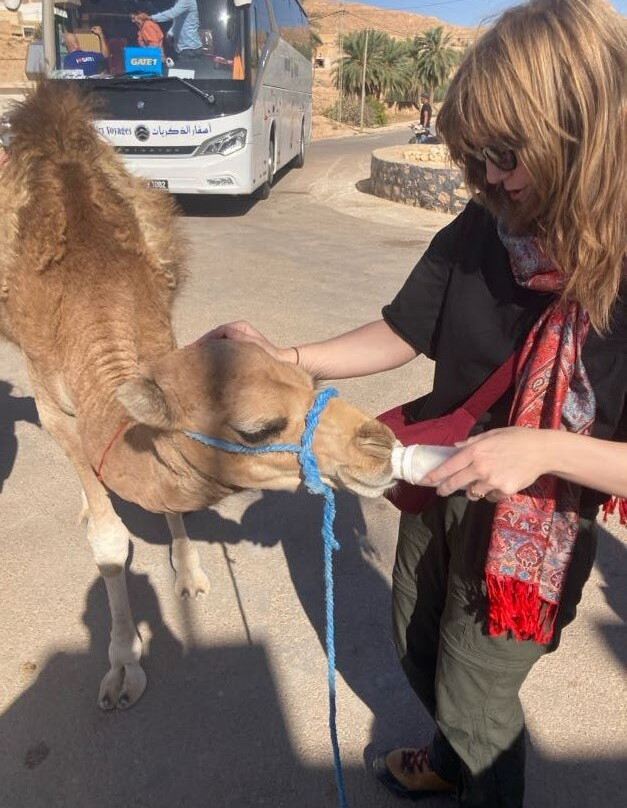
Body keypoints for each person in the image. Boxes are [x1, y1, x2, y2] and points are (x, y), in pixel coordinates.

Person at [208, 1, 626, 805]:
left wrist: (541, 449)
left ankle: (471, 769)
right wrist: (285, 360)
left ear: (579, 128)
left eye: (507, 154)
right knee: (414, 637)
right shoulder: (490, 222)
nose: (492, 178)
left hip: (538, 519)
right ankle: (445, 755)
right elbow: (403, 330)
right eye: (476, 158)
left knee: (480, 701)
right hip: (440, 476)